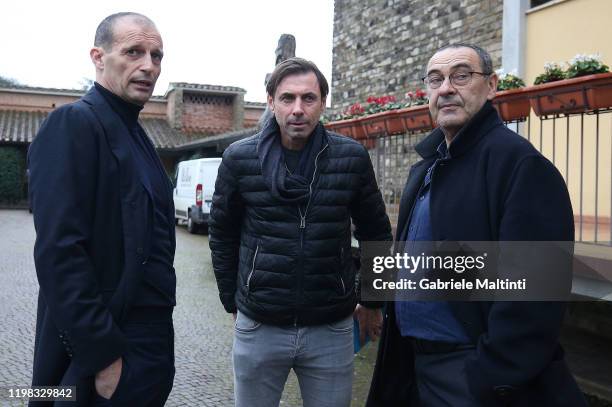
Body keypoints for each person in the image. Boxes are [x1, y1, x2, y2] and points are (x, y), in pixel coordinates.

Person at [366, 44, 587, 406]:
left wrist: (489, 377)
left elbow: (535, 292)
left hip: (470, 375)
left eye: (462, 76)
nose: (446, 88)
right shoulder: (427, 166)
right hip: (413, 366)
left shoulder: (520, 165)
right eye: (435, 80)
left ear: (492, 86)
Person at [209, 57, 392, 407]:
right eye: (287, 98)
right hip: (260, 325)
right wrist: (232, 300)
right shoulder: (239, 158)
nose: (297, 109)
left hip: (331, 327)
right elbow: (222, 233)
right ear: (270, 102)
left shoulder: (350, 158)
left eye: (308, 98)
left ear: (322, 103)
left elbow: (377, 233)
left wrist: (372, 301)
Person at [28, 12, 176, 406]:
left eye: (156, 55)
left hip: (148, 343)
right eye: (133, 52)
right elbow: (59, 252)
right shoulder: (73, 123)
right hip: (106, 348)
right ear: (98, 57)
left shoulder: (135, 131)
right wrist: (103, 356)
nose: (149, 65)